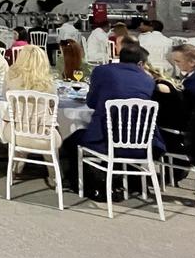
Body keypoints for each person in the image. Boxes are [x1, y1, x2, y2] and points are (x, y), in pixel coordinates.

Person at [60, 43, 163, 199]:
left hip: (106, 140)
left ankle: (80, 182)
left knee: (71, 139)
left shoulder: (102, 71)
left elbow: (91, 103)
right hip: (143, 143)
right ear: (141, 64)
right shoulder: (148, 81)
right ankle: (124, 178)